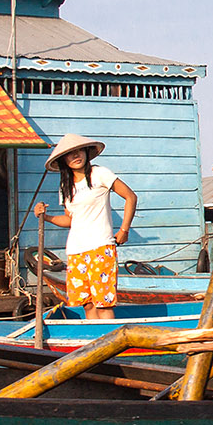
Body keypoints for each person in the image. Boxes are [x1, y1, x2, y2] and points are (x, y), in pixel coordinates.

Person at [33, 134, 137, 319]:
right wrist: (45, 216)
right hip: (76, 251)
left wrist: (124, 230)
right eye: (70, 154)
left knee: (103, 304)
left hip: (100, 248)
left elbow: (130, 196)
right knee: (87, 305)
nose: (76, 156)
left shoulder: (99, 173)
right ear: (64, 160)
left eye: (79, 151)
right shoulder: (65, 186)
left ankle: (109, 344)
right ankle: (95, 344)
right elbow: (70, 220)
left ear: (86, 152)